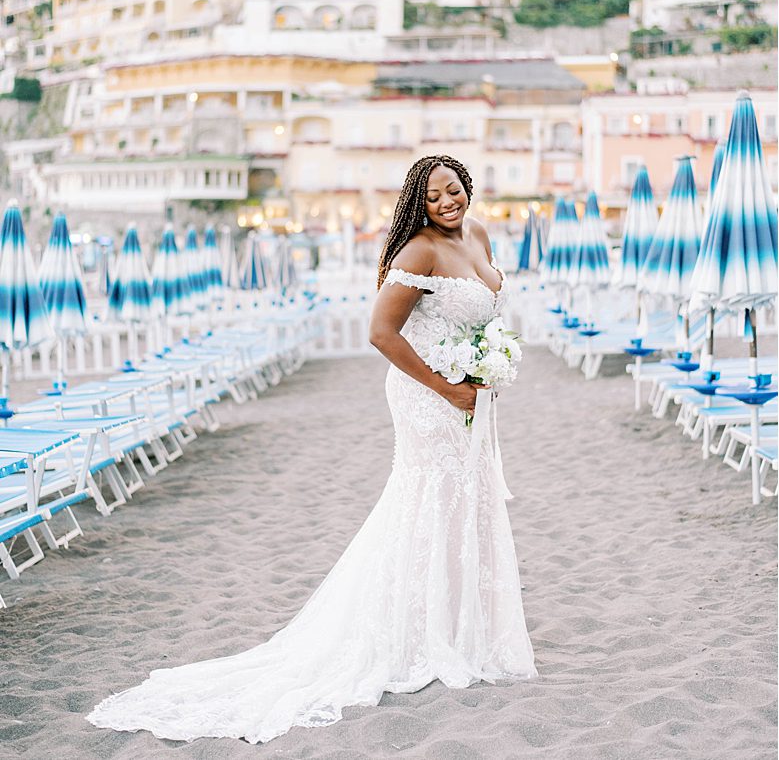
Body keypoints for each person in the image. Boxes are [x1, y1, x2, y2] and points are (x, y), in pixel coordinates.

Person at [89, 155, 535, 743]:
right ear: (419, 205)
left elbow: (478, 310)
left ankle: (456, 625)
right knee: (430, 499)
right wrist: (447, 386)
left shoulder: (477, 233)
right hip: (429, 396)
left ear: (467, 188)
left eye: (453, 190)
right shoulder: (419, 251)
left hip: (468, 393)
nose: (446, 202)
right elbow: (379, 333)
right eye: (433, 197)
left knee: (468, 500)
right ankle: (418, 632)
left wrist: (485, 362)